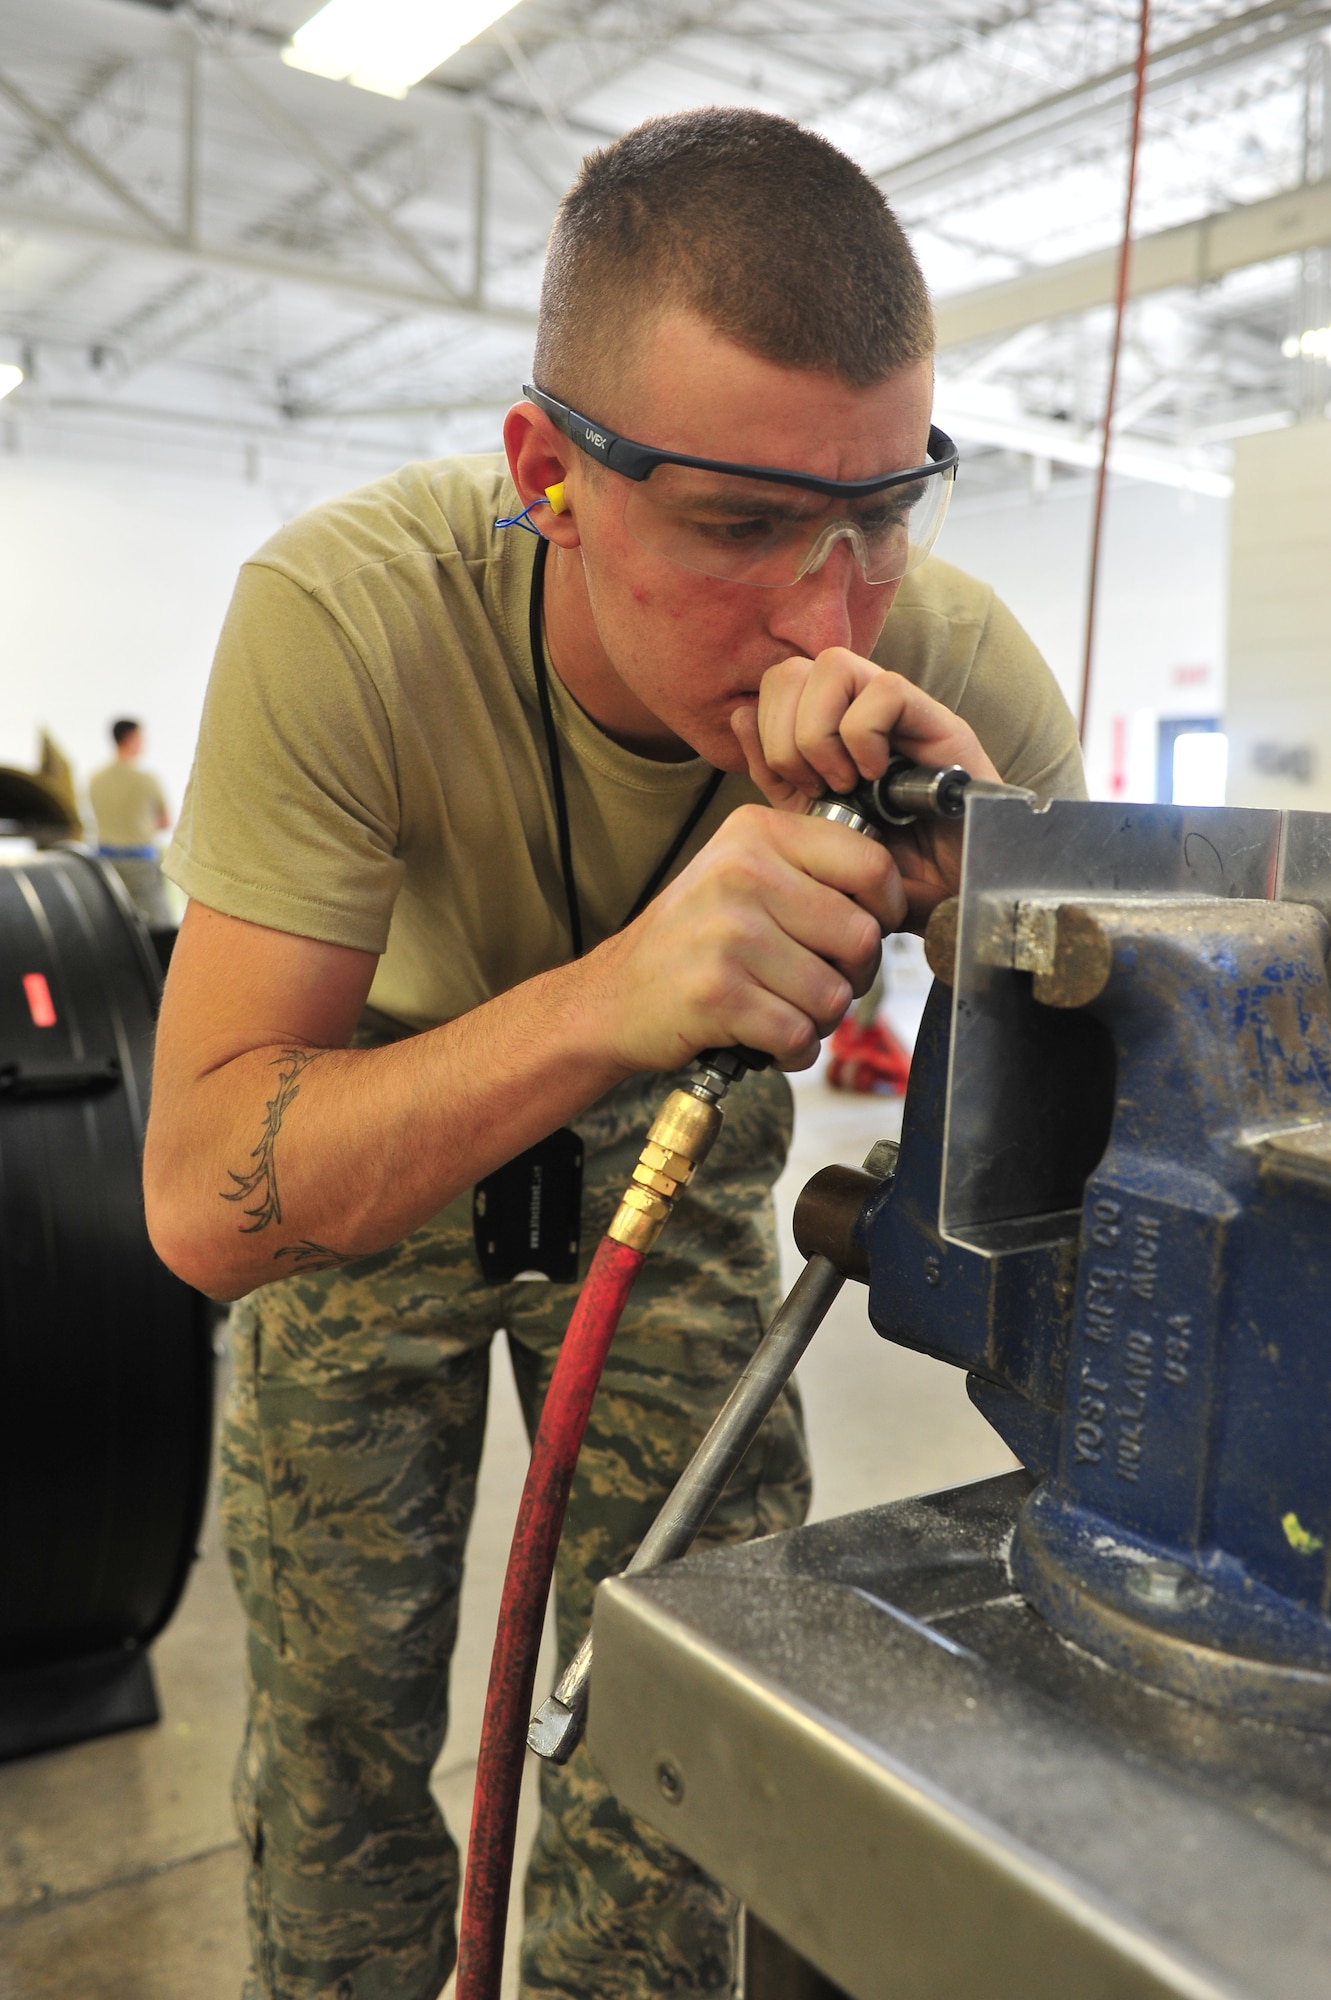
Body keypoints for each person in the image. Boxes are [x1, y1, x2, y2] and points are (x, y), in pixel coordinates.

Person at [144, 109, 1085, 2000]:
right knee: (338, 1734)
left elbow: (1122, 1177)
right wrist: (612, 998)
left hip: (691, 1160)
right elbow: (200, 1200)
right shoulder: (347, 617)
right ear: (547, 475)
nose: (828, 613)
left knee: (677, 1708)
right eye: (739, 526)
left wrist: (990, 912)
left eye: (881, 515)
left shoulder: (957, 669)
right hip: (384, 1138)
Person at [89, 717, 173, 928]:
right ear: (131, 738)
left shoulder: (95, 779)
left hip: (106, 863)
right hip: (140, 864)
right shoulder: (146, 779)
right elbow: (165, 821)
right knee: (157, 926)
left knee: (115, 927)